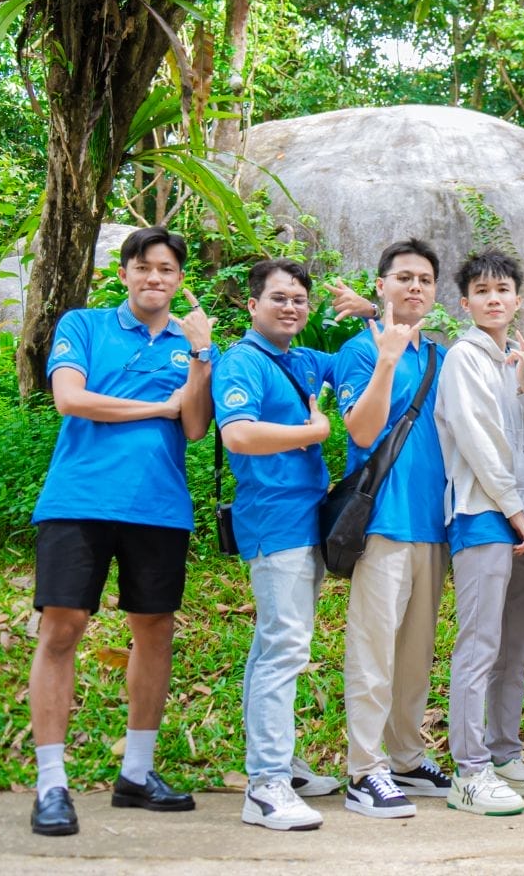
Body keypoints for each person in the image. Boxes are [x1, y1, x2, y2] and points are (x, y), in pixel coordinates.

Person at [25, 227, 213, 837]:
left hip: (158, 505)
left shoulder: (189, 341)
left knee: (154, 630)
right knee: (63, 626)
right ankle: (51, 783)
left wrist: (202, 355)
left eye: (167, 269)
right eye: (144, 266)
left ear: (179, 279)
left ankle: (136, 772)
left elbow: (194, 427)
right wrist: (155, 407)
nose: (155, 277)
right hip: (78, 499)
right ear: (126, 272)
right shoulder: (84, 325)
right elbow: (71, 399)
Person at [329, 241, 461, 819]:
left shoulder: (440, 356)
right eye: (403, 277)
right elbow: (361, 432)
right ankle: (365, 769)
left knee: (414, 653)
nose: (415, 287)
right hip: (383, 522)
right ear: (380, 285)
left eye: (424, 279)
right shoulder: (359, 350)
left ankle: (406, 756)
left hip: (434, 524)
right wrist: (385, 357)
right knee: (373, 649)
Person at [215, 259, 338, 832]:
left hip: (307, 519)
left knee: (273, 644)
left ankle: (278, 767)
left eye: (299, 299)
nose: (290, 307)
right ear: (252, 305)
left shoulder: (303, 360)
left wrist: (369, 308)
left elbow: (368, 354)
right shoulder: (243, 361)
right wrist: (312, 433)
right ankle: (265, 785)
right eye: (279, 298)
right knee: (286, 646)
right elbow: (238, 434)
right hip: (274, 519)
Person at [434, 250, 524, 818]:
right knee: (478, 645)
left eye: (503, 290)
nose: (493, 299)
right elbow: (477, 440)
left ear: (518, 300)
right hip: (483, 514)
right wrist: (513, 509)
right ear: (465, 303)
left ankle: (503, 752)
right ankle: (470, 770)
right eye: (482, 291)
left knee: (514, 645)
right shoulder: (463, 358)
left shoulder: (511, 364)